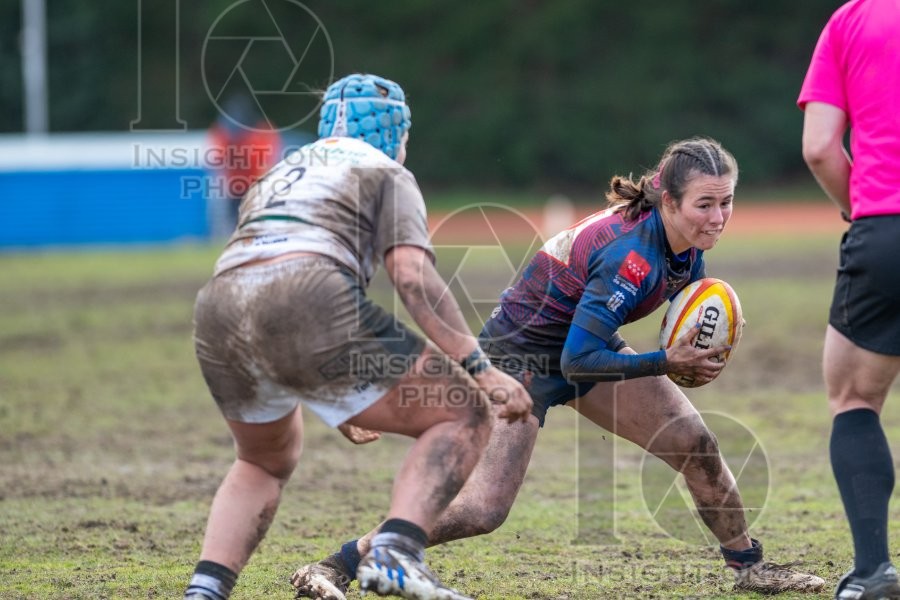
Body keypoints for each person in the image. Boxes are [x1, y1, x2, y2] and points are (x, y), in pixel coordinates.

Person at [292, 137, 826, 599]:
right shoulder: (628, 254)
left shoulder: (686, 245)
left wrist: (712, 330)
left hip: (582, 343)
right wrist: (668, 359)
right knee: (483, 509)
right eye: (704, 205)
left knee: (696, 445)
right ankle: (339, 562)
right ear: (668, 200)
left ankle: (748, 567)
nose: (718, 218)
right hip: (520, 358)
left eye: (726, 202)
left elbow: (672, 312)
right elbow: (578, 360)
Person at [183, 73, 532, 600]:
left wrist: (340, 393)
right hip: (307, 296)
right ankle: (395, 552)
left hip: (217, 309)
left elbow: (260, 282)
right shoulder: (384, 170)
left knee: (262, 460)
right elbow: (413, 279)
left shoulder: (281, 171)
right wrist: (482, 370)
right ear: (394, 132)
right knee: (464, 410)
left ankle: (204, 592)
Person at [798, 1, 900, 598]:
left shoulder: (852, 19)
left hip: (886, 229)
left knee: (855, 396)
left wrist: (855, 208)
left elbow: (819, 148)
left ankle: (874, 573)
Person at [207, 94, 283, 238]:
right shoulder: (224, 132)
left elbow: (266, 161)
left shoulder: (261, 132)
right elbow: (217, 158)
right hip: (234, 186)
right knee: (232, 219)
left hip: (256, 184)